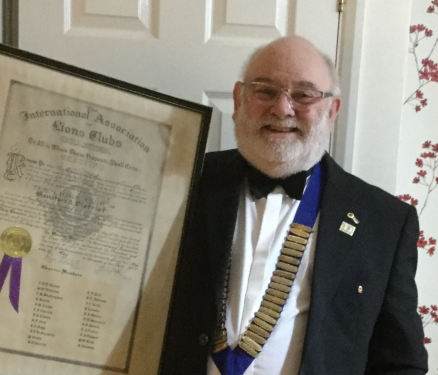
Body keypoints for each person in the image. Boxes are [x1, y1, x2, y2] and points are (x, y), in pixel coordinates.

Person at [160, 36, 428, 375]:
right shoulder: (181, 180)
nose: (282, 108)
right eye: (265, 91)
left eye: (303, 95)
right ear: (238, 99)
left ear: (332, 110)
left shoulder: (385, 222)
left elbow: (401, 364)